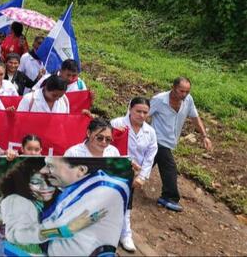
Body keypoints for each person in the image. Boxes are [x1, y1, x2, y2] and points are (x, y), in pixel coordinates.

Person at [0, 157, 106, 255]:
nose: (45, 188)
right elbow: (16, 235)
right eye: (36, 182)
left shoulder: (46, 200)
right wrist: (62, 230)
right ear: (23, 182)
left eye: (50, 182)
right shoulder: (16, 200)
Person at [39, 157, 128, 256]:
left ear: (81, 170)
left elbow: (40, 232)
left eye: (50, 166)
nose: (43, 170)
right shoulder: (93, 183)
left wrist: (66, 230)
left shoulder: (98, 191)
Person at [149, 77, 211, 212]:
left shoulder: (188, 100)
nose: (184, 95)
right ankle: (169, 197)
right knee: (169, 167)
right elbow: (142, 114)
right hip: (156, 140)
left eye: (187, 92)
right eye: (181, 91)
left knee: (145, 166)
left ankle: (124, 181)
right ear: (173, 88)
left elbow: (195, 117)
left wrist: (204, 136)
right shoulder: (159, 100)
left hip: (171, 141)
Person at [110, 97, 158, 252]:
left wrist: (142, 177)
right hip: (112, 169)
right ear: (130, 109)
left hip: (132, 175)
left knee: (126, 203)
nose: (142, 115)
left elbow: (150, 157)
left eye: (145, 112)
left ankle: (125, 234)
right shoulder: (117, 124)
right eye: (138, 111)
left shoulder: (150, 132)